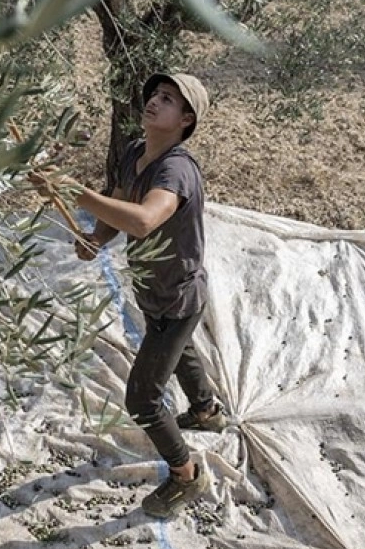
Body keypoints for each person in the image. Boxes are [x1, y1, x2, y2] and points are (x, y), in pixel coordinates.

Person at [31, 73, 225, 519]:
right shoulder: (135, 152)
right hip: (154, 287)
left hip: (178, 294)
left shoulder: (176, 170)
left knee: (142, 397)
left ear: (186, 119)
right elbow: (118, 202)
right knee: (179, 346)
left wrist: (72, 190)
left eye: (168, 100)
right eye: (155, 95)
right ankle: (207, 410)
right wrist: (97, 238)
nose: (154, 102)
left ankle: (187, 475)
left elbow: (141, 221)